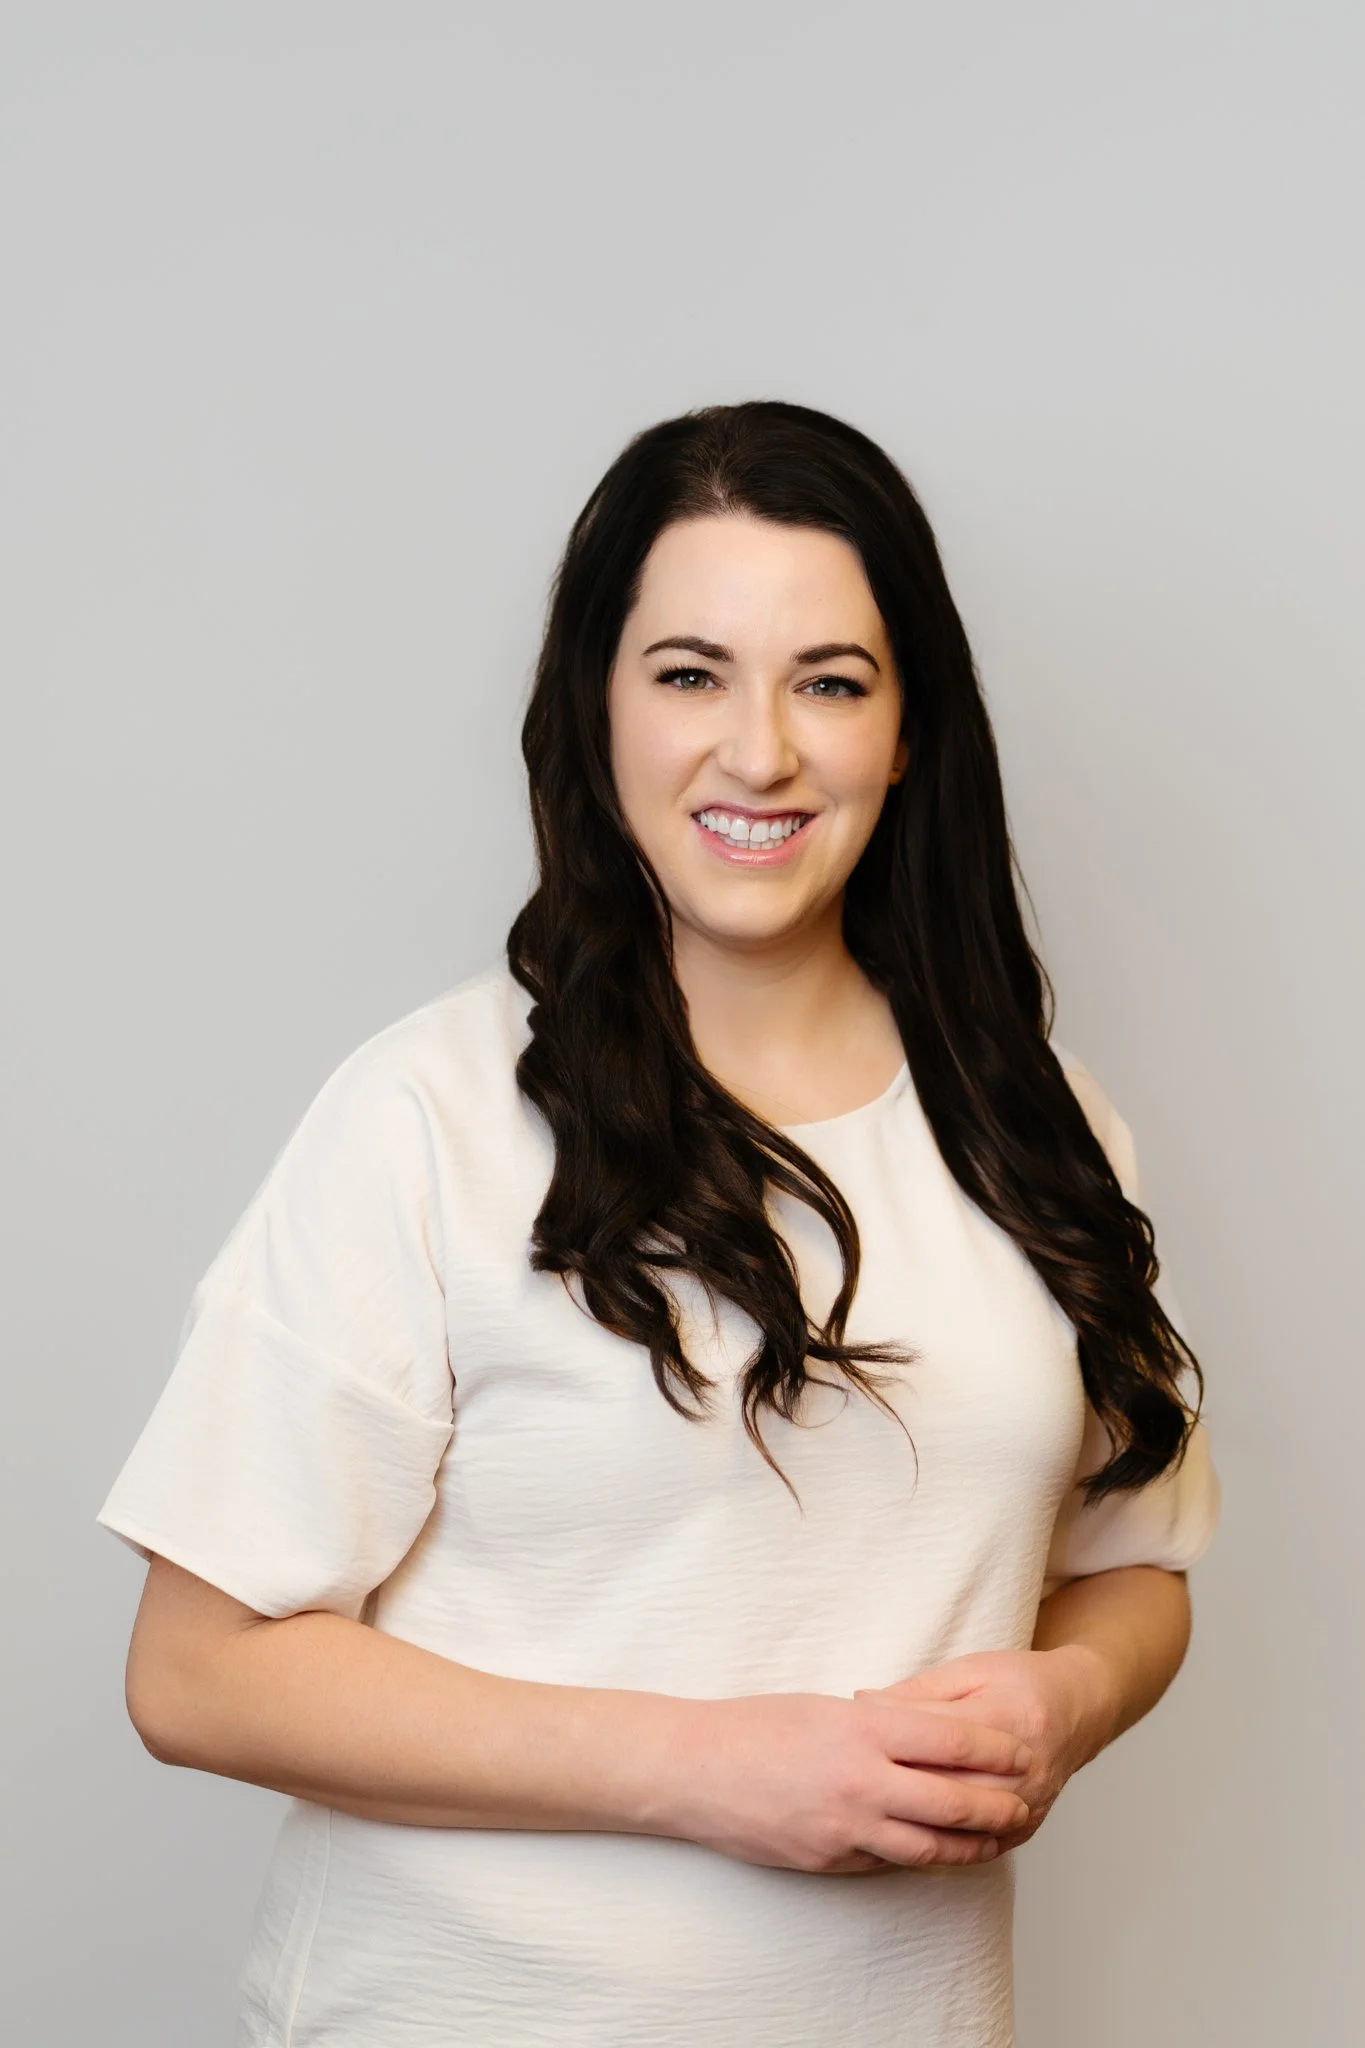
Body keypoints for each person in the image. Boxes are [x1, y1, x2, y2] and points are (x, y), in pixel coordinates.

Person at [99, 400, 1219, 2047]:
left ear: (909, 733)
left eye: (829, 681)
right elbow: (193, 1672)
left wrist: (1069, 1699)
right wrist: (721, 1771)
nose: (757, 750)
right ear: (597, 709)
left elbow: (1137, 1569)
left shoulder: (1038, 1123)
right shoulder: (430, 1115)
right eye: (688, 673)